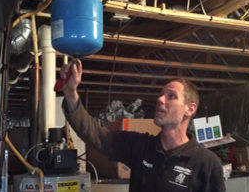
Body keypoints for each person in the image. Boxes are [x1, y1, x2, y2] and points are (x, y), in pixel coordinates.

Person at [60, 58, 226, 192]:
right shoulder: (141, 148)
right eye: (161, 95)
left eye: (171, 96)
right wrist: (70, 92)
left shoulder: (207, 163)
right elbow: (95, 134)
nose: (160, 99)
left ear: (189, 109)